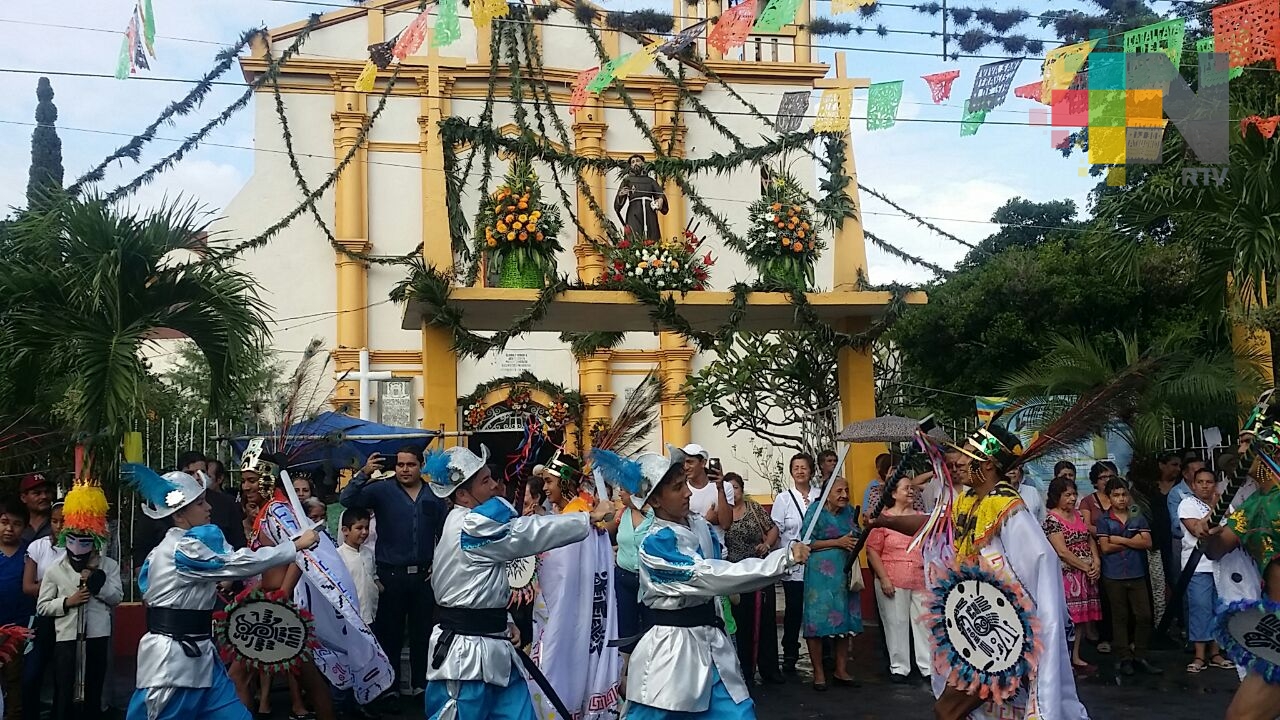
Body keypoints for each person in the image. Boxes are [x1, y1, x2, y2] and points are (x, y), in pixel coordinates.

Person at [871, 424, 1088, 720]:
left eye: (966, 455)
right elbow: (932, 525)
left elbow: (1040, 567)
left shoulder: (1008, 509)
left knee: (947, 711)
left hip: (1000, 638)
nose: (956, 462)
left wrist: (1027, 636)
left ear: (986, 465)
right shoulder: (969, 501)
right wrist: (884, 522)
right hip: (978, 626)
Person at [592, 446, 811, 720]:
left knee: (739, 714)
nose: (686, 493)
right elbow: (710, 575)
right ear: (656, 501)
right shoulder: (656, 544)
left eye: (684, 483)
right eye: (676, 488)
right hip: (671, 655)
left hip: (712, 645)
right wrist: (783, 559)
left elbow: (722, 564)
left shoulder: (701, 527)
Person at [423, 444, 611, 720]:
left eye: (491, 478)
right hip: (464, 658)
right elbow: (526, 533)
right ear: (462, 494)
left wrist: (505, 619)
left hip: (494, 648)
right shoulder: (471, 525)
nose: (494, 487)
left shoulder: (472, 523)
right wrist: (587, 518)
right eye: (485, 481)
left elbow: (481, 583)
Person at [122, 464, 320, 720]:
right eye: (200, 503)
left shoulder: (175, 549)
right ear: (179, 515)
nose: (209, 508)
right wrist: (294, 546)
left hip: (200, 655)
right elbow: (234, 564)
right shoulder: (182, 550)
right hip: (173, 664)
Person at [243, 451, 393, 714]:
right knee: (303, 675)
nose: (246, 487)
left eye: (252, 480)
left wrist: (283, 595)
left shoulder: (276, 511)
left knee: (248, 672)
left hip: (283, 603)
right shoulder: (270, 511)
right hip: (272, 599)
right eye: (244, 480)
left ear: (268, 479)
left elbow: (302, 550)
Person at [341, 447, 446, 702]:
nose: (404, 469)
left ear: (420, 465)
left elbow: (444, 533)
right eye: (400, 464)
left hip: (423, 576)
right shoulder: (382, 490)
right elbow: (347, 500)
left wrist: (438, 562)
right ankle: (391, 688)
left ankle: (421, 686)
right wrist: (363, 473)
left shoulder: (435, 494)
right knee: (391, 635)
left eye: (410, 464)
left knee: (423, 634)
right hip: (391, 575)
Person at [527, 459, 622, 720]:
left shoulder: (576, 516)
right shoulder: (580, 513)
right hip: (576, 604)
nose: (545, 488)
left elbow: (562, 571)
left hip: (568, 607)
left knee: (562, 660)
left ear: (565, 481)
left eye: (549, 481)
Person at [35, 482, 121, 720]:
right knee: (64, 691)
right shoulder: (55, 569)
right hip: (66, 637)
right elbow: (42, 606)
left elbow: (116, 598)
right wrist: (67, 602)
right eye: (73, 540)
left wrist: (98, 586)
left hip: (97, 637)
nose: (78, 547)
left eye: (85, 541)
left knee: (93, 690)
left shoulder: (108, 566)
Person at [865, 474, 930, 684]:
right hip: (892, 576)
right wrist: (883, 578)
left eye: (912, 488)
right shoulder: (883, 519)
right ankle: (899, 667)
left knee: (924, 623)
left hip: (920, 577)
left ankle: (927, 667)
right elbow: (873, 551)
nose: (911, 491)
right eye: (906, 488)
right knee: (896, 622)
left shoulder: (921, 518)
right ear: (893, 493)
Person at [801, 476, 862, 691]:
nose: (844, 495)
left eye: (846, 490)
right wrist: (838, 542)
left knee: (844, 621)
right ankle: (819, 672)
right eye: (839, 491)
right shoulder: (815, 510)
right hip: (820, 575)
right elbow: (806, 541)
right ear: (827, 494)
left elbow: (856, 534)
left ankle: (841, 669)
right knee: (816, 622)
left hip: (844, 573)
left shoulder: (848, 512)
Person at [1095, 478, 1161, 676]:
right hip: (1113, 574)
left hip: (1136, 571)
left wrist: (1119, 539)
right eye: (1116, 495)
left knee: (1144, 615)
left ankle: (1140, 654)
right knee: (1120, 616)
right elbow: (1105, 548)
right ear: (1109, 498)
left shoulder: (1136, 514)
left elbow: (1147, 542)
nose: (1121, 499)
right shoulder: (1103, 519)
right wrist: (1133, 541)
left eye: (1124, 494)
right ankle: (1124, 657)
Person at [722, 473, 782, 687]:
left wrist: (767, 545)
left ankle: (769, 669)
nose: (734, 492)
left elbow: (772, 528)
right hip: (734, 576)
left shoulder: (753, 508)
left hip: (758, 572)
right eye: (729, 488)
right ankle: (744, 670)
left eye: (736, 487)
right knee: (740, 623)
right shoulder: (721, 512)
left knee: (765, 622)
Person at [1042, 476, 1101, 673]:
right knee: (1068, 619)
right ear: (1057, 496)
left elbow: (1088, 538)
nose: (1072, 498)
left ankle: (1076, 655)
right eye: (1067, 495)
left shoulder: (1079, 516)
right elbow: (1062, 551)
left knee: (1082, 620)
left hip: (1086, 574)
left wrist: (1096, 562)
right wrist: (1086, 567)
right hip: (1067, 576)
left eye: (1074, 494)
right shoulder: (1052, 520)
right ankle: (1064, 659)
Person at [1178, 468, 1232, 673]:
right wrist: (1216, 510)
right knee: (1200, 607)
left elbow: (1235, 527)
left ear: (1215, 485)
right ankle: (1199, 655)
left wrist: (1215, 523)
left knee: (1219, 607)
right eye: (1200, 482)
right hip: (1198, 565)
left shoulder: (1229, 505)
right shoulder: (1187, 504)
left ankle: (1216, 653)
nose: (1204, 485)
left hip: (1223, 564)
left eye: (1209, 482)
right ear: (1193, 485)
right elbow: (1200, 530)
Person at [771, 453, 819, 674]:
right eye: (796, 467)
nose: (800, 471)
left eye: (804, 467)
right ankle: (790, 651)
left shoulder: (820, 496)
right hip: (794, 563)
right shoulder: (784, 499)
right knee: (793, 609)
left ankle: (822, 650)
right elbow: (777, 528)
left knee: (818, 608)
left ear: (811, 470)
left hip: (818, 561)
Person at [20, 502, 63, 720]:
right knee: (32, 673)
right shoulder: (38, 546)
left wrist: (45, 585)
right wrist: (58, 587)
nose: (59, 526)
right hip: (41, 618)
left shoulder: (79, 547)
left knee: (61, 677)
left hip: (66, 619)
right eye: (54, 521)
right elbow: (28, 587)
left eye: (64, 521)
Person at [0, 499, 31, 720]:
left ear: (25, 527)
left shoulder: (30, 555)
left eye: (16, 524)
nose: (9, 528)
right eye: (4, 522)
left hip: (18, 630)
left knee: (14, 683)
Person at [339, 508, 380, 626]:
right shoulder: (339, 556)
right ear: (345, 530)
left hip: (372, 612)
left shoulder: (368, 553)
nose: (364, 532)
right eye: (359, 528)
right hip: (353, 617)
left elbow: (372, 574)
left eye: (366, 528)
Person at [613, 154, 667, 241]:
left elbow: (660, 194)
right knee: (634, 234)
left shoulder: (650, 181)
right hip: (634, 211)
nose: (635, 163)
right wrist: (621, 196)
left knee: (652, 233)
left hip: (649, 211)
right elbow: (617, 205)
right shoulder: (627, 180)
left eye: (638, 161)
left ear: (643, 163)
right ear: (631, 166)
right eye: (633, 162)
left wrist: (660, 200)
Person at [18, 475, 53, 544]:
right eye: (37, 493)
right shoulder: (15, 523)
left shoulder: (59, 522)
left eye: (47, 492)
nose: (44, 496)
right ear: (23, 498)